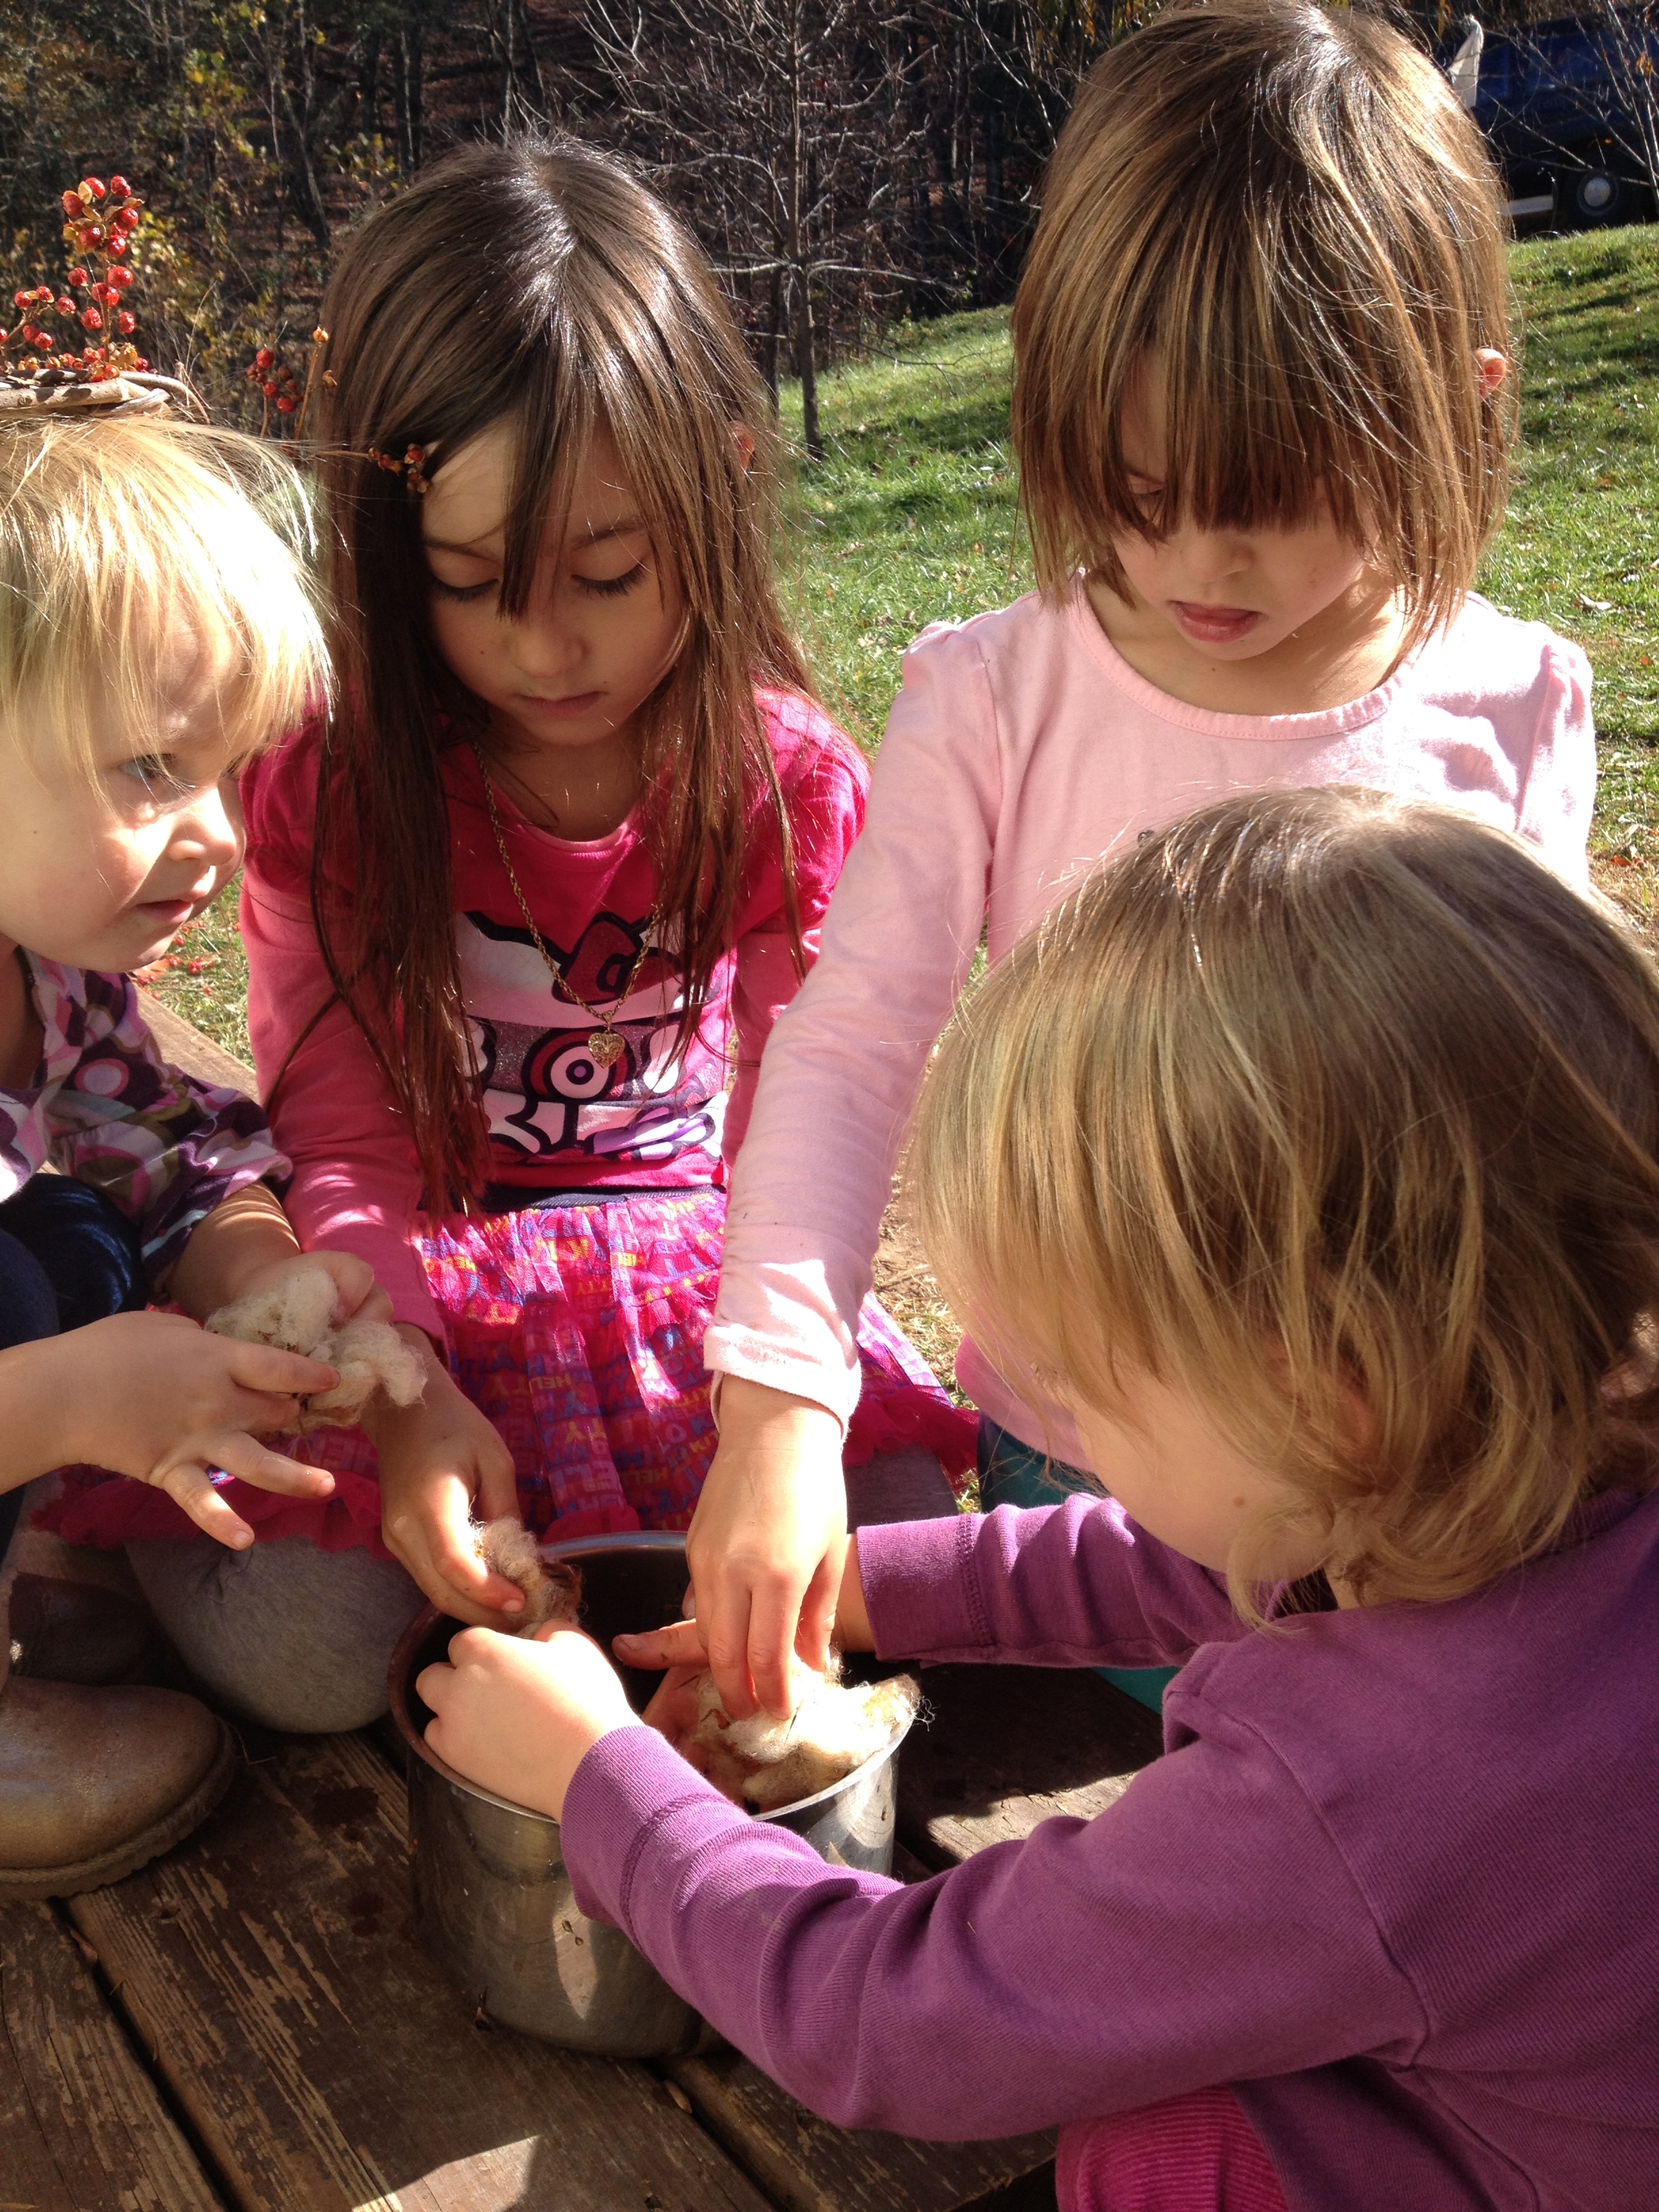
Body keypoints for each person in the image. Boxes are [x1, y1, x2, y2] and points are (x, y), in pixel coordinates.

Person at [418, 788, 1659, 2212]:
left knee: (1150, 2158)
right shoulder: (1511, 1486)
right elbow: (1195, 1564)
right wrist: (874, 1582)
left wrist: (597, 1779)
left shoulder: (1351, 1796)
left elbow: (887, 2021)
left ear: (1328, 1389)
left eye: (1076, 1378)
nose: (990, 1375)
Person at [685, 0, 1601, 1721]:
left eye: (1276, 490)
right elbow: (853, 1045)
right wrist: (781, 1410)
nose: (1197, 555)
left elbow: (1542, 1140)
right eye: (1133, 481)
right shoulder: (993, 701)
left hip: (1426, 1493)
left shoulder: (1515, 701)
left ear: (1452, 414)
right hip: (1093, 1464)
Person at [52, 138, 969, 1733]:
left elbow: (806, 1131)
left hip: (698, 1265)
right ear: (388, 558)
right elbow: (344, 1138)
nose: (549, 646)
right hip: (408, 1273)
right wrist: (402, 1404)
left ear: (719, 486)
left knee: (880, 1562)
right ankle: (100, 1557)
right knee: (326, 1656)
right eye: (473, 586)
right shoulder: (331, 781)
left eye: (608, 574)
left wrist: (780, 1418)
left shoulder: (788, 782)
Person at [0, 411, 369, 1896]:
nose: (216, 833)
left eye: (228, 772)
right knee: (36, 1299)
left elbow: (151, 1152)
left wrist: (260, 1271)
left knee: (75, 1244)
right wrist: (72, 1396)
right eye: (152, 769)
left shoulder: (55, 978)